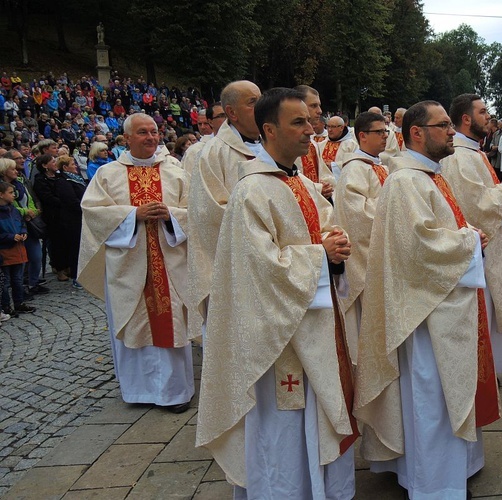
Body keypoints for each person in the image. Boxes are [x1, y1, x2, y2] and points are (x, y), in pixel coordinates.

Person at [196, 87, 357, 498]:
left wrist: (333, 248)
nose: (311, 130)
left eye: (310, 120)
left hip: (314, 322)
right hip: (277, 338)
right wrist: (321, 255)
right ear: (269, 129)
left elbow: (317, 233)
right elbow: (259, 267)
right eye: (298, 122)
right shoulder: (252, 190)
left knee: (316, 416)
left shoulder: (298, 181)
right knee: (283, 429)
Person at [355, 100, 493, 499]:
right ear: (417, 132)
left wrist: (466, 233)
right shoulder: (406, 182)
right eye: (444, 125)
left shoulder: (429, 176)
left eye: (452, 125)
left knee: (440, 396)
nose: (453, 132)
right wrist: (469, 240)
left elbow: (439, 229)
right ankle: (434, 485)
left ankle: (442, 474)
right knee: (431, 398)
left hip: (437, 303)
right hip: (424, 313)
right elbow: (419, 247)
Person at [78, 113, 193, 413]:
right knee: (135, 324)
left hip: (169, 262)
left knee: (172, 324)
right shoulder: (108, 174)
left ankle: (174, 393)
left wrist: (171, 215)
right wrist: (133, 216)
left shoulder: (176, 172)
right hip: (129, 266)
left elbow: (196, 210)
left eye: (154, 132)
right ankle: (140, 392)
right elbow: (93, 213)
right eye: (143, 133)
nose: (151, 138)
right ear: (126, 138)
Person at [442, 93, 502, 379]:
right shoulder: (458, 156)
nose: (488, 117)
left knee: (494, 305)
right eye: (482, 112)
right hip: (482, 246)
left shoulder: (474, 151)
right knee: (485, 307)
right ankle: (481, 368)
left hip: (494, 246)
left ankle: (491, 366)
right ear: (466, 119)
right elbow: (471, 204)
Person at [187, 81, 262, 343]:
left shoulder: (274, 145)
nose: (261, 105)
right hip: (236, 265)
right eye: (252, 102)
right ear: (232, 113)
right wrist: (265, 226)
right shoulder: (213, 154)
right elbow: (209, 214)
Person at [332, 111, 389, 363]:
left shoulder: (381, 166)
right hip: (366, 260)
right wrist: (392, 206)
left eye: (386, 131)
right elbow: (357, 216)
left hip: (384, 255)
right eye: (380, 132)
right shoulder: (354, 169)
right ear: (363, 136)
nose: (385, 137)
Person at [3, 151, 47, 296]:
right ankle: (20, 290)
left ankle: (32, 284)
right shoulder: (4, 189)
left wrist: (34, 211)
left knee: (36, 255)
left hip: (29, 223)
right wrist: (24, 212)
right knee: (18, 261)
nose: (17, 168)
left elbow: (31, 198)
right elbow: (8, 206)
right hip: (12, 226)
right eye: (16, 161)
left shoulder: (22, 181)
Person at [292, 85, 335, 196]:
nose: (320, 111)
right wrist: (316, 188)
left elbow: (323, 174)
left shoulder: (313, 144)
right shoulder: (287, 142)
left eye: (319, 106)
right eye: (314, 106)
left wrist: (327, 186)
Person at [0, 180, 34, 317]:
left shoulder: (13, 210)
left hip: (18, 248)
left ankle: (19, 302)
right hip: (5, 249)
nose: (14, 195)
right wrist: (10, 236)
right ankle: (6, 306)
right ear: (1, 195)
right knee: (6, 281)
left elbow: (21, 224)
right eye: (10, 193)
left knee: (18, 279)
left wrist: (23, 232)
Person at [54, 155, 86, 289]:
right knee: (75, 248)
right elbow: (71, 201)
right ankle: (76, 276)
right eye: (73, 164)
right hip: (72, 220)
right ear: (65, 167)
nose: (76, 166)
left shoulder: (77, 179)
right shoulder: (63, 181)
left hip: (81, 218)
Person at [320, 115, 357, 180]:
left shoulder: (351, 145)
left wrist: (333, 166)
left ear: (341, 128)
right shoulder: (321, 144)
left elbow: (354, 164)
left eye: (333, 127)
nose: (329, 130)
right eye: (328, 126)